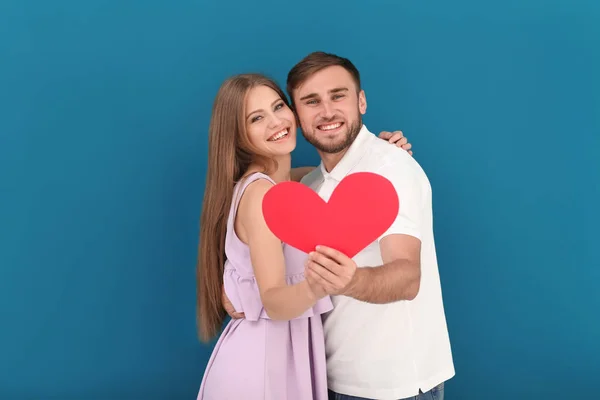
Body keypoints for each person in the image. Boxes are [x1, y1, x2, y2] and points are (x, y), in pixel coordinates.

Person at [195, 73, 414, 400]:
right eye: (256, 118)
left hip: (285, 358)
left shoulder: (287, 184)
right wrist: (318, 284)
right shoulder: (261, 197)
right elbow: (273, 300)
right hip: (263, 370)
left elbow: (332, 177)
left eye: (278, 106)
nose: (275, 122)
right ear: (238, 136)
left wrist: (380, 152)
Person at [290, 51, 454, 400]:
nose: (327, 111)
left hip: (394, 386)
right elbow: (259, 191)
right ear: (297, 116)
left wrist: (352, 280)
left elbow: (408, 276)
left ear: (361, 101)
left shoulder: (390, 167)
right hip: (329, 379)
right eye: (311, 101)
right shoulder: (312, 185)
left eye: (339, 95)